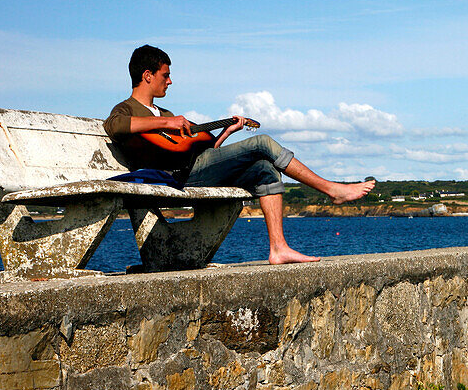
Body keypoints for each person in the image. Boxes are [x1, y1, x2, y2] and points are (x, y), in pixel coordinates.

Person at [104, 45, 374, 264]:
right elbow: (113, 126)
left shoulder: (164, 113)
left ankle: (278, 248)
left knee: (264, 169)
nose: (170, 81)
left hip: (195, 169)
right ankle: (331, 189)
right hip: (174, 176)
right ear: (148, 75)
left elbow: (204, 152)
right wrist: (167, 123)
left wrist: (228, 132)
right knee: (263, 143)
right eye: (166, 75)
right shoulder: (128, 109)